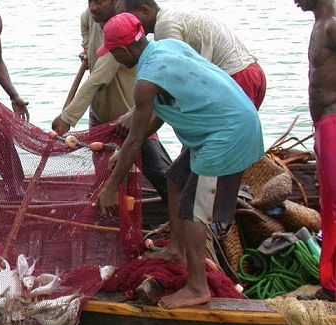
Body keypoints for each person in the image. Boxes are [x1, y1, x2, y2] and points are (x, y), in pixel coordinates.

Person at [96, 13, 264, 309]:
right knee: (175, 177)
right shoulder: (166, 47)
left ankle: (198, 286)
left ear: (122, 50)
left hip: (227, 132)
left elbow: (135, 140)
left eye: (111, 52)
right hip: (223, 124)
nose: (113, 58)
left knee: (193, 209)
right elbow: (160, 114)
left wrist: (111, 188)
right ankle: (177, 252)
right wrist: (122, 154)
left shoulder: (146, 80)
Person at [52, 1, 171, 204]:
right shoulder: (90, 15)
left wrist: (67, 118)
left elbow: (98, 78)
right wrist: (87, 48)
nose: (94, 7)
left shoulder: (122, 29)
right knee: (104, 176)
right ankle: (110, 220)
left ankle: (184, 214)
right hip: (99, 116)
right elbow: (85, 28)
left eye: (100, 1)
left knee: (159, 173)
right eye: (90, 1)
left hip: (131, 118)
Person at [116, 0, 266, 109]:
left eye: (129, 18)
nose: (128, 24)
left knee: (222, 139)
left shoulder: (165, 26)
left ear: (145, 10)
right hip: (252, 72)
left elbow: (178, 79)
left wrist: (139, 110)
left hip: (236, 76)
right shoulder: (171, 15)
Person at [295, 0, 336, 301]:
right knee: (328, 208)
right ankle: (331, 284)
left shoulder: (333, 25)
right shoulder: (319, 25)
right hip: (322, 124)